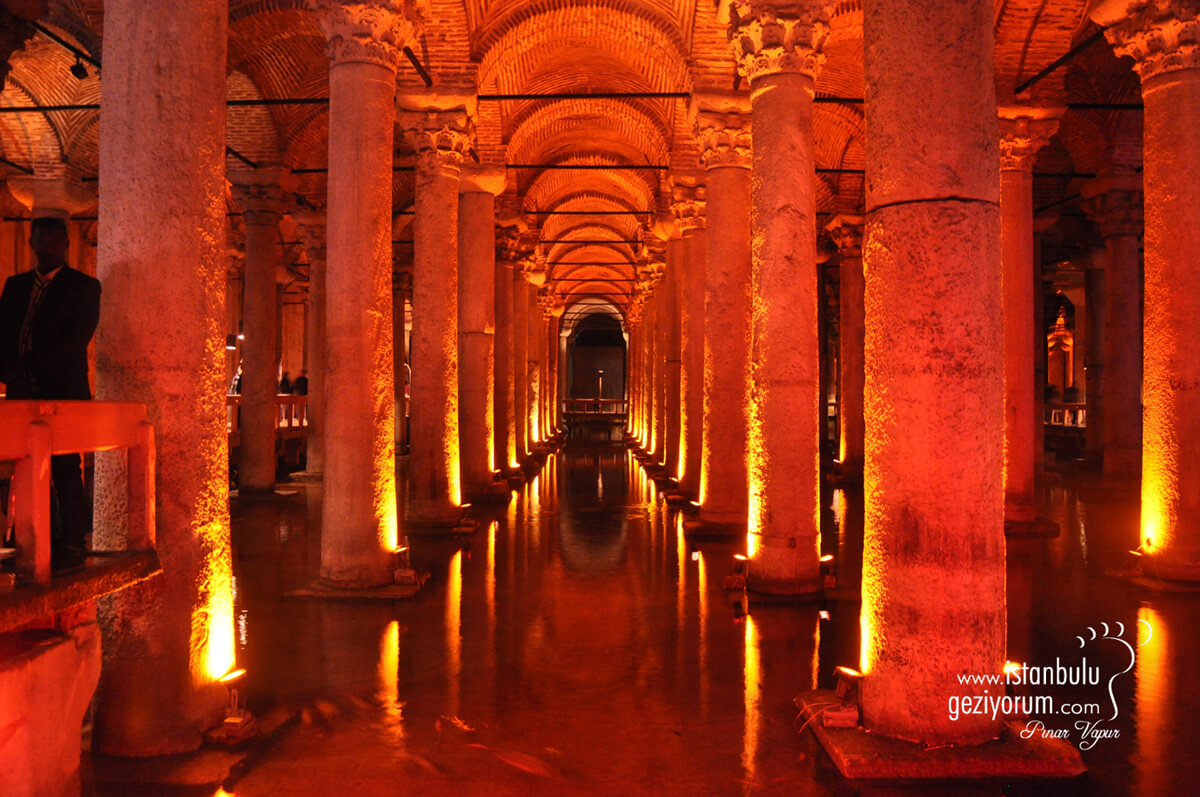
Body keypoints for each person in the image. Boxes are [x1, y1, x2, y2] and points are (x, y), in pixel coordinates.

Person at [0, 216, 101, 571]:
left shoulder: (84, 288)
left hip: (64, 390)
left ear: (66, 247)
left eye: (53, 242)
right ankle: (31, 541)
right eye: (41, 242)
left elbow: (74, 341)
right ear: (32, 245)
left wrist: (32, 368)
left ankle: (72, 542)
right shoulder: (15, 286)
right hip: (19, 390)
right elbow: (4, 333)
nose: (47, 248)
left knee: (65, 468)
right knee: (25, 467)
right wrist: (11, 372)